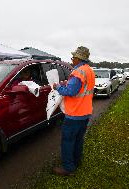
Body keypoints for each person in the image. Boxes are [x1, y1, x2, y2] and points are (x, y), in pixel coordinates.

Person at [52, 46, 95, 176]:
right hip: (85, 112)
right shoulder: (89, 70)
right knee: (78, 139)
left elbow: (71, 91)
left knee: (68, 141)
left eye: (73, 57)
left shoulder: (78, 72)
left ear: (78, 58)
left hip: (74, 114)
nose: (72, 59)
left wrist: (58, 86)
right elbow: (81, 88)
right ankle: (76, 161)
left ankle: (68, 168)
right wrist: (68, 83)